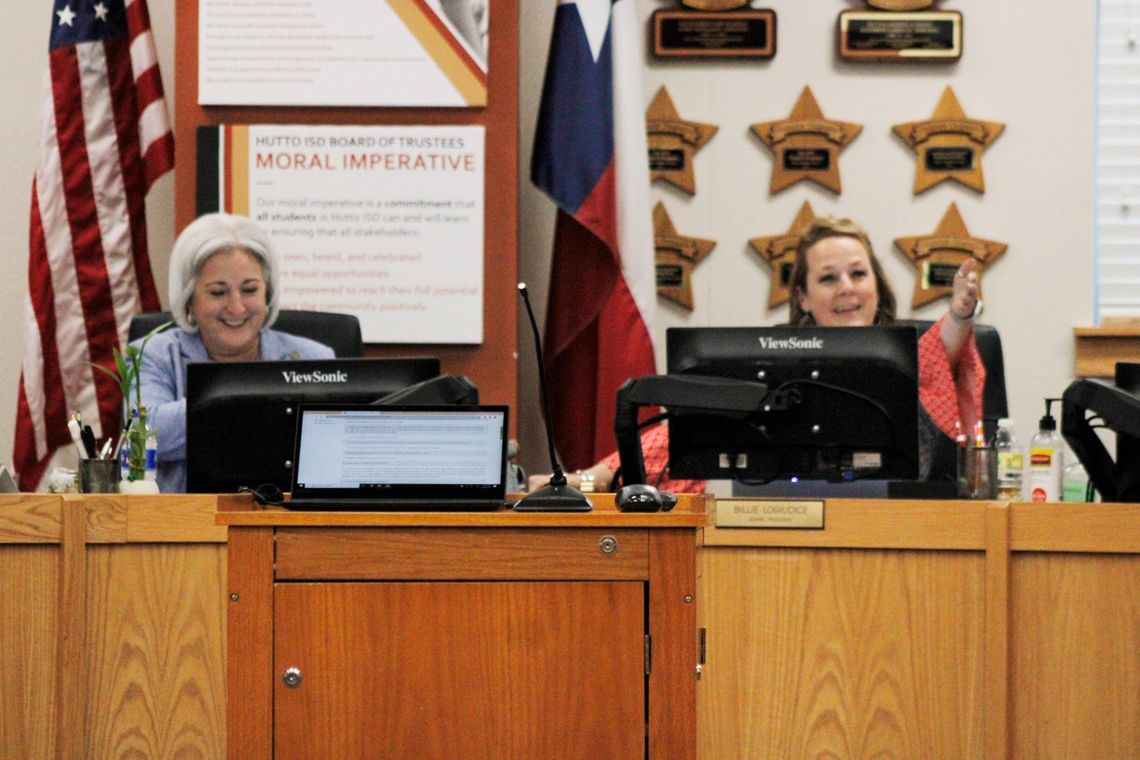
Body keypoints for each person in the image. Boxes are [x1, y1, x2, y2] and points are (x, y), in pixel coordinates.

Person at [529, 215, 984, 492]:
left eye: (858, 274)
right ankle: (596, 477)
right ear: (803, 298)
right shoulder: (770, 364)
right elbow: (680, 438)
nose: (847, 289)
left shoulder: (908, 357)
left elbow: (944, 349)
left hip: (889, 533)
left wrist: (961, 314)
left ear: (876, 286)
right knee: (707, 413)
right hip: (774, 527)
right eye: (828, 278)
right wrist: (593, 477)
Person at [134, 213, 334, 493]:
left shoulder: (315, 357)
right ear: (189, 299)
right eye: (218, 293)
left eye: (250, 289)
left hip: (291, 525)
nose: (237, 307)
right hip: (186, 525)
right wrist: (258, 405)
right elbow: (145, 436)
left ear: (268, 293)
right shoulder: (152, 355)